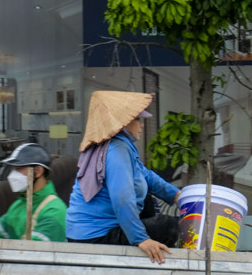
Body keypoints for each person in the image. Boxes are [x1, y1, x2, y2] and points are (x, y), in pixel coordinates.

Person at [66, 91, 180, 264]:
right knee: (170, 227)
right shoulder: (117, 149)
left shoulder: (117, 146)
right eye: (138, 119)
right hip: (96, 238)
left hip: (86, 234)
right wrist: (141, 239)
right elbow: (122, 199)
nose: (142, 124)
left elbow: (145, 175)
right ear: (123, 123)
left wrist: (176, 195)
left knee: (148, 200)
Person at [0, 143, 67, 242]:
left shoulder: (54, 209)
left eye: (19, 169)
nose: (12, 175)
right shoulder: (19, 205)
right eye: (12, 169)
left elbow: (36, 250)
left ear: (38, 171)